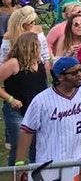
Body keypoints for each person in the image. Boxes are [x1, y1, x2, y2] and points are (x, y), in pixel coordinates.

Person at [16, 57, 81, 180]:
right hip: (49, 166)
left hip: (78, 162)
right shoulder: (41, 101)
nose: (80, 75)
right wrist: (20, 163)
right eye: (74, 73)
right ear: (60, 77)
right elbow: (27, 131)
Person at [0, 33, 47, 166]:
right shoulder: (14, 63)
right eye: (37, 45)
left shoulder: (39, 63)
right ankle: (15, 174)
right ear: (29, 47)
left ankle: (35, 173)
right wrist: (10, 99)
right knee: (19, 147)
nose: (40, 48)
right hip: (17, 111)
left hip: (36, 111)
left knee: (37, 146)